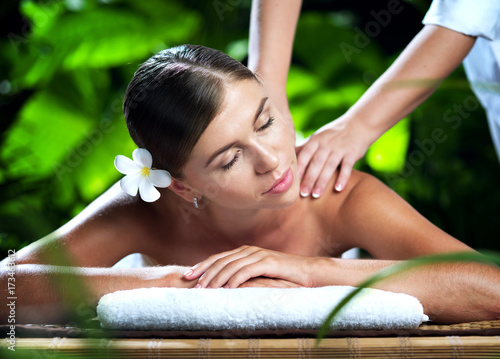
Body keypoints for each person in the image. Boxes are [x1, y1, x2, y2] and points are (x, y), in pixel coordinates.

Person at [0, 45, 498, 325]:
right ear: (181, 186)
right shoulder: (144, 207)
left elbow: (490, 287)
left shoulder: (334, 193)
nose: (273, 160)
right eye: (230, 159)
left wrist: (307, 271)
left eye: (265, 120)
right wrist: (174, 284)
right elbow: (7, 289)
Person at [248, 0, 500, 198]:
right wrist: (267, 87)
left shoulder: (350, 199)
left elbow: (464, 17)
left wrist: (358, 127)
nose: (269, 162)